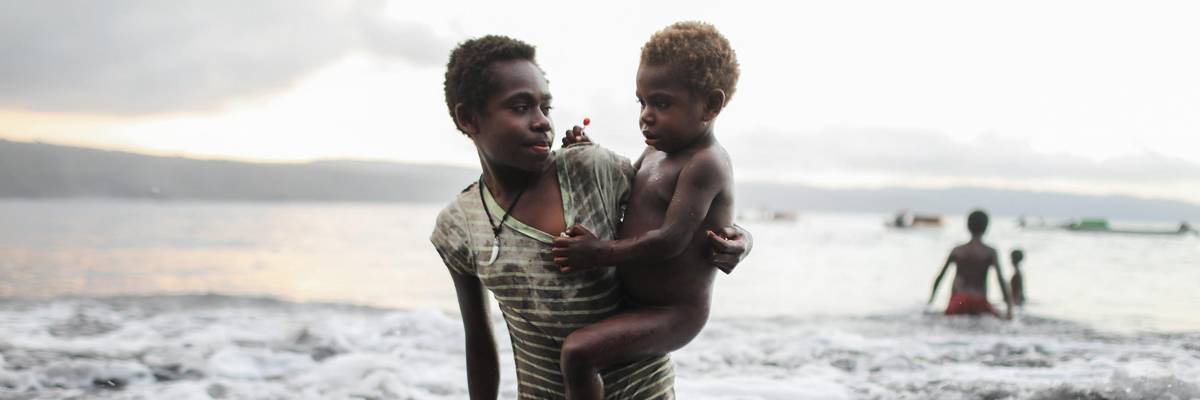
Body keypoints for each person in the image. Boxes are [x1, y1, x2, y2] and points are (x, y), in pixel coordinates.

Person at [429, 35, 752, 399]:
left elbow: (677, 212)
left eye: (545, 107)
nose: (542, 122)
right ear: (468, 118)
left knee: (580, 353)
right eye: (521, 107)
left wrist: (738, 238)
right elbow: (478, 341)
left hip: (647, 391)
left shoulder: (592, 170)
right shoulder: (460, 226)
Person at [550, 21, 739, 400]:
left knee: (578, 353)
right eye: (643, 102)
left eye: (662, 103)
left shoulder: (705, 163)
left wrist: (597, 252)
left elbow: (669, 240)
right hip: (633, 300)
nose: (646, 115)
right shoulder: (656, 151)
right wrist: (588, 152)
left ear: (711, 105)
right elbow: (626, 191)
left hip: (673, 312)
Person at [928, 209, 1014, 319]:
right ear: (986, 228)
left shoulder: (957, 251)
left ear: (967, 226)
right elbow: (1001, 280)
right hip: (979, 301)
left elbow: (940, 276)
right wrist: (1009, 308)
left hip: (958, 301)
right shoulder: (990, 252)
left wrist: (931, 300)